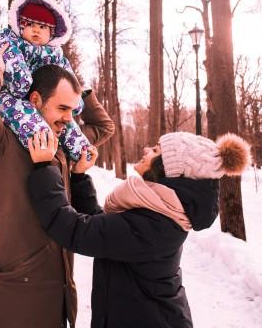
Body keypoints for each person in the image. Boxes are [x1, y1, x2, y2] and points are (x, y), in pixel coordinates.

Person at [0, 45, 115, 328]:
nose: (69, 118)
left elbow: (103, 127)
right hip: (14, 295)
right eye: (62, 108)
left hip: (58, 295)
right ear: (36, 100)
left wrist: (82, 92)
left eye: (72, 110)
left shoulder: (62, 142)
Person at [27, 131, 251, 328]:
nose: (146, 149)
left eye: (155, 150)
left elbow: (77, 231)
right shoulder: (159, 210)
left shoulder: (156, 224)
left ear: (169, 170)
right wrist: (78, 178)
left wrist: (44, 167)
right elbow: (103, 230)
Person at [0, 0, 91, 161]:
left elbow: (68, 77)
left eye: (42, 27)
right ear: (21, 26)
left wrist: (75, 102)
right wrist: (20, 80)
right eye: (30, 25)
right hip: (12, 93)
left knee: (64, 120)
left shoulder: (55, 54)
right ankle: (41, 140)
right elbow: (10, 58)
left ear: (52, 33)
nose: (36, 31)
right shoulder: (11, 41)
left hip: (45, 97)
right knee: (21, 112)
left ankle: (81, 150)